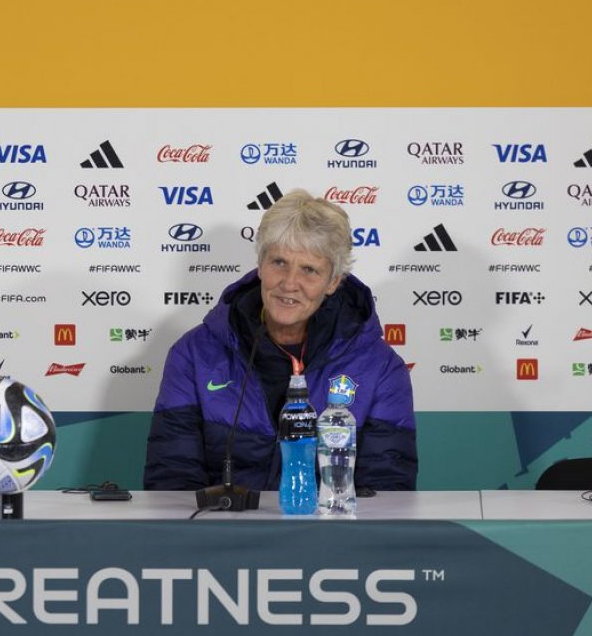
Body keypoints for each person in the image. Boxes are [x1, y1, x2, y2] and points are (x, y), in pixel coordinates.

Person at [144, 189, 417, 492]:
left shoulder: (381, 368)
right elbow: (171, 481)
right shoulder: (193, 355)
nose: (289, 283)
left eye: (309, 270)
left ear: (333, 282)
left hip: (331, 536)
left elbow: (387, 492)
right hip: (221, 535)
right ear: (260, 265)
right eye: (279, 263)